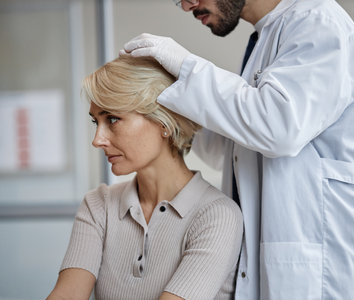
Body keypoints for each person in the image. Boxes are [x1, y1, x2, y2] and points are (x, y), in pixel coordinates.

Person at [120, 0, 354, 299]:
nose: (187, 5)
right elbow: (228, 144)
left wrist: (186, 70)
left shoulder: (319, 22)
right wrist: (165, 98)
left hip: (328, 275)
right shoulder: (264, 40)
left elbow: (279, 126)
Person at [47, 56, 243, 300]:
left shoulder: (217, 216)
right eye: (95, 122)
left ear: (164, 122)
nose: (97, 140)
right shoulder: (99, 205)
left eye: (112, 119)